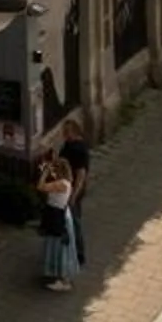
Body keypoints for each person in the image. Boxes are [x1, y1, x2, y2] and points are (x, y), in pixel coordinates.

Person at [58, 117, 93, 276]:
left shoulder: (79, 150)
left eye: (66, 132)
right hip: (66, 188)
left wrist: (74, 194)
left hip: (73, 191)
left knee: (74, 221)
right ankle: (70, 250)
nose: (63, 135)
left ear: (73, 132)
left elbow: (81, 174)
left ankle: (78, 254)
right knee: (70, 220)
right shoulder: (69, 145)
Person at [37, 156, 76, 290]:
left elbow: (41, 187)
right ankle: (57, 274)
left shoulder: (61, 184)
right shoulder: (66, 182)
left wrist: (45, 173)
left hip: (56, 216)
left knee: (59, 247)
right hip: (59, 214)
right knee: (56, 245)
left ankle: (63, 279)